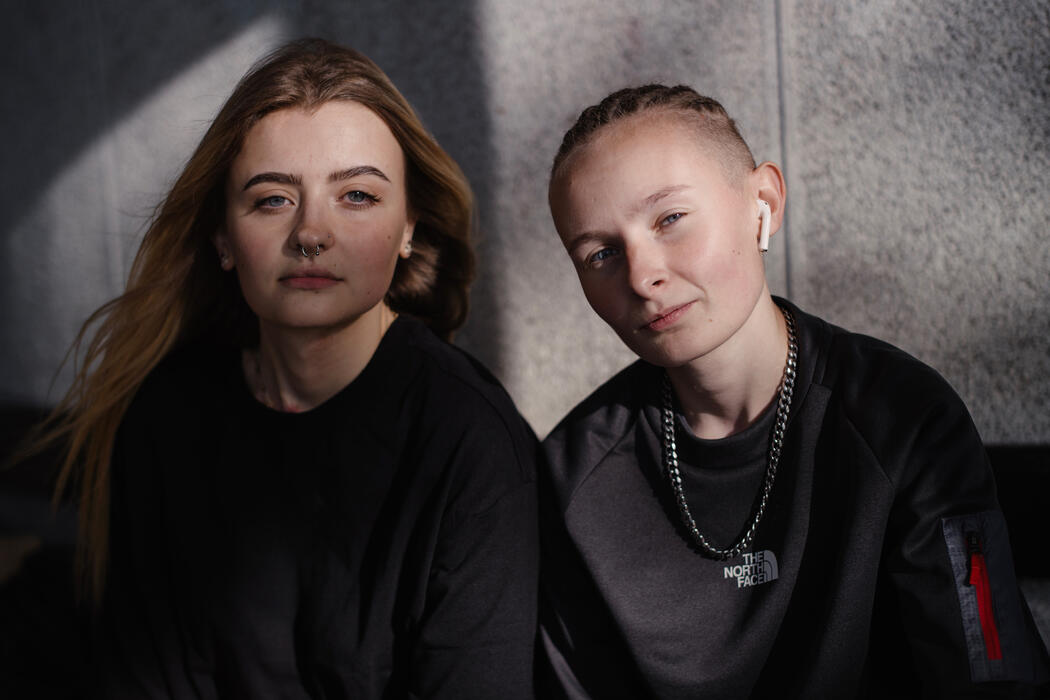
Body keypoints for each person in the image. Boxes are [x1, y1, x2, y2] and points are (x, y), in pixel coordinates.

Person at [26, 38, 538, 698]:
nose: (310, 233)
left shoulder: (470, 441)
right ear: (222, 238)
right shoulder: (166, 415)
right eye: (272, 199)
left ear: (409, 226)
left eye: (356, 196)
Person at [538, 85, 1049, 698]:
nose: (644, 276)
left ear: (764, 202)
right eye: (599, 253)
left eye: (670, 219)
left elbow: (990, 669)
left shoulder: (900, 418)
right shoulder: (573, 479)